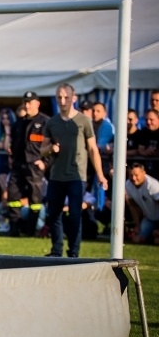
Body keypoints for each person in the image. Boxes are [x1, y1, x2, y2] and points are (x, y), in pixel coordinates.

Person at [41, 83, 108, 258]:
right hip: (56, 175)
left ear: (74, 98)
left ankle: (74, 253)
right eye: (59, 97)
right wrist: (50, 150)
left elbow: (93, 149)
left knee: (75, 215)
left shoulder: (84, 121)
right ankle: (56, 251)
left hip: (77, 176)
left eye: (66, 97)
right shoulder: (51, 122)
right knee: (53, 214)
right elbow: (42, 149)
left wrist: (100, 175)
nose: (62, 100)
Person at [7, 91, 50, 237]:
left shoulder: (46, 122)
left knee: (35, 200)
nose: (27, 105)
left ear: (37, 104)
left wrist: (45, 163)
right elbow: (14, 142)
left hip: (35, 166)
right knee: (13, 195)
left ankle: (31, 231)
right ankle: (14, 228)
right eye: (25, 102)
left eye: (30, 102)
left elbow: (54, 146)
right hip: (19, 164)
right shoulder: (19, 122)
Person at [125, 162, 159, 244]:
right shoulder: (128, 185)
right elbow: (132, 205)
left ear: (144, 173)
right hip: (149, 219)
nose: (133, 178)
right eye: (131, 175)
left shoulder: (153, 185)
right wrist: (137, 225)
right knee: (136, 240)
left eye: (136, 175)